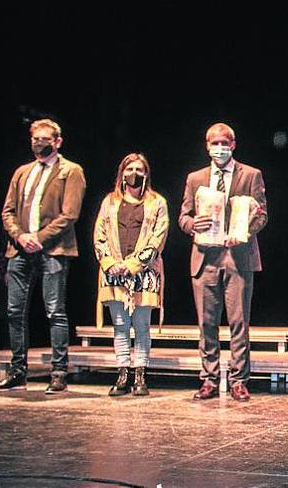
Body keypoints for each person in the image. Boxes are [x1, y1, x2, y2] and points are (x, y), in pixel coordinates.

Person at [0, 118, 85, 393]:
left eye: (44, 139)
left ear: (57, 142)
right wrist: (20, 236)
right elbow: (7, 211)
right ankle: (18, 371)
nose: (38, 143)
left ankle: (58, 372)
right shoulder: (22, 172)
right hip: (20, 249)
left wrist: (39, 239)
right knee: (14, 311)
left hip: (53, 250)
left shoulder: (71, 171)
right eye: (35, 139)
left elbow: (70, 214)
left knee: (55, 310)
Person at [179, 123, 268, 402]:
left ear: (233, 144)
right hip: (205, 257)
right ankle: (208, 379)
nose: (220, 147)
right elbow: (183, 216)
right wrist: (193, 223)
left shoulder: (251, 175)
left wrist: (244, 232)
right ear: (207, 146)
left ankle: (239, 380)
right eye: (214, 143)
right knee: (206, 323)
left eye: (224, 143)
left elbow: (262, 214)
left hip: (237, 256)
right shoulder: (195, 178)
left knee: (239, 322)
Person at [93, 153, 169, 397]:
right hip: (113, 272)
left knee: (142, 326)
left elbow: (158, 237)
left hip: (143, 273)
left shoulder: (157, 202)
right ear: (122, 173)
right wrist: (110, 262)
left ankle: (140, 375)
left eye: (139, 169)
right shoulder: (110, 202)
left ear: (146, 174)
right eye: (129, 169)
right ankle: (122, 373)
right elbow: (99, 234)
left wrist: (134, 264)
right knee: (120, 326)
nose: (134, 173)